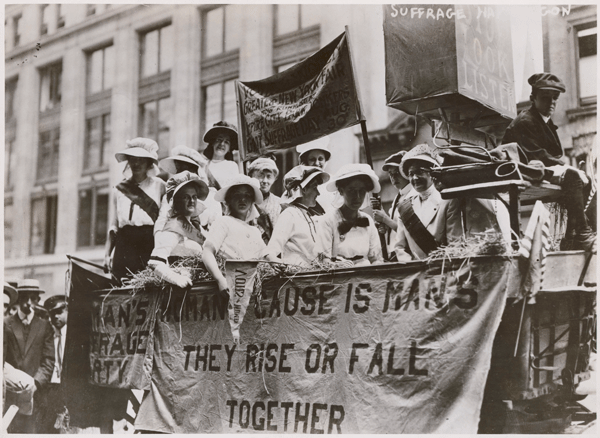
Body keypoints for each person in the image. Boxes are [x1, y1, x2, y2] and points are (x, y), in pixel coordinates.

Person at [502, 73, 596, 251]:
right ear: (533, 98)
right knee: (573, 176)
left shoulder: (542, 119)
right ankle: (582, 234)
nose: (552, 102)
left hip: (535, 167)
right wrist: (566, 167)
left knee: (586, 180)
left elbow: (549, 155)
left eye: (555, 98)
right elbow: (538, 155)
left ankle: (572, 237)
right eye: (546, 98)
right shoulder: (525, 121)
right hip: (520, 169)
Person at [104, 138, 166, 282]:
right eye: (133, 159)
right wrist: (107, 254)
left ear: (149, 163)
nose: (136, 164)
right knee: (121, 289)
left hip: (149, 244)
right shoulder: (119, 190)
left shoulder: (160, 186)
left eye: (141, 160)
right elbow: (114, 226)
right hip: (124, 246)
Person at [393, 144, 465, 261]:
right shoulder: (404, 206)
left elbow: (454, 245)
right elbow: (400, 247)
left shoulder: (447, 201)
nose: (415, 178)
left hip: (442, 269)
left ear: (432, 173)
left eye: (419, 172)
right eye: (411, 174)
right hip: (415, 273)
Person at [3, 279, 55, 434]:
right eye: (24, 298)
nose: (28, 303)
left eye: (33, 298)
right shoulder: (6, 324)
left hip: (36, 395)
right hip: (11, 395)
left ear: (38, 300)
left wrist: (36, 383)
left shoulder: (45, 326)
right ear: (18, 300)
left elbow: (49, 360)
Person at [202, 175, 266, 293]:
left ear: (252, 201)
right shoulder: (223, 222)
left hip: (250, 288)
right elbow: (207, 251)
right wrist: (220, 280)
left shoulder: (255, 231)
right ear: (228, 200)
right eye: (237, 195)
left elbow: (266, 257)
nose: (242, 199)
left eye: (247, 195)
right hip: (230, 285)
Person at [149, 172, 210, 288]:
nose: (191, 201)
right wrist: (176, 279)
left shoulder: (194, 225)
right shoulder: (172, 227)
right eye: (186, 197)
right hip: (181, 291)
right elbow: (155, 263)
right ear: (176, 201)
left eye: (194, 197)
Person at [315, 163, 384, 267]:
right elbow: (323, 261)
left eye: (362, 191)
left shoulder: (367, 220)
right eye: (351, 191)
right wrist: (337, 266)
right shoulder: (328, 221)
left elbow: (375, 257)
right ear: (341, 191)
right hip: (339, 276)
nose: (357, 197)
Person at [265, 165, 330, 267]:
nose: (318, 193)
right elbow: (271, 251)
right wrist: (279, 265)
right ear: (303, 189)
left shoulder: (307, 216)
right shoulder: (289, 214)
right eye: (314, 187)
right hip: (296, 277)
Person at [155, 146, 221, 233]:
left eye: (186, 170)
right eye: (179, 170)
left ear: (195, 171)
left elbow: (217, 229)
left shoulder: (211, 196)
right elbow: (161, 222)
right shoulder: (170, 196)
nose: (183, 175)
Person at [36, 295, 68, 434]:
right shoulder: (47, 335)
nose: (55, 317)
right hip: (50, 387)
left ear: (68, 311)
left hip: (68, 387)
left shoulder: (74, 337)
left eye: (59, 312)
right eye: (52, 313)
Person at [372, 151, 414, 250]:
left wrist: (385, 219)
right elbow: (395, 226)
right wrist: (384, 225)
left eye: (397, 173)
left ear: (406, 172)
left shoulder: (413, 195)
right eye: (391, 174)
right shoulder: (399, 196)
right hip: (396, 251)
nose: (394, 177)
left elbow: (410, 232)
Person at [295, 136, 335, 213]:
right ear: (306, 162)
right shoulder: (299, 183)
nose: (317, 163)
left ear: (325, 160)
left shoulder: (333, 181)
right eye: (312, 159)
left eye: (320, 159)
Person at [248, 156, 282, 243]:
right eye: (260, 176)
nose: (265, 181)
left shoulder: (280, 203)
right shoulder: (245, 202)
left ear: (275, 179)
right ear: (251, 176)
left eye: (269, 176)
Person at [201, 121, 240, 190]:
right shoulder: (203, 164)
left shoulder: (232, 166)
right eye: (219, 140)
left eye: (226, 142)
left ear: (229, 148)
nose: (222, 144)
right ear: (212, 143)